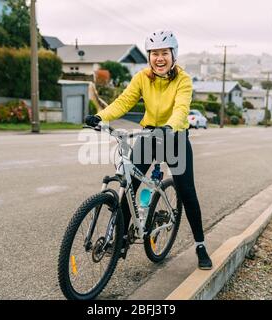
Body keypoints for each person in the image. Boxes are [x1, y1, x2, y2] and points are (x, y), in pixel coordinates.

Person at [85, 30, 212, 270]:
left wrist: (170, 127)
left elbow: (181, 109)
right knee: (128, 184)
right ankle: (121, 237)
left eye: (164, 53)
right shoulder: (142, 77)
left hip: (174, 137)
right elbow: (123, 102)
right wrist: (99, 117)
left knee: (186, 191)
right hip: (148, 135)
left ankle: (200, 245)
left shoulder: (183, 80)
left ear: (173, 55)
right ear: (149, 57)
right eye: (154, 53)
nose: (159, 58)